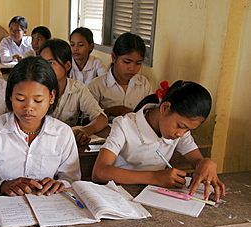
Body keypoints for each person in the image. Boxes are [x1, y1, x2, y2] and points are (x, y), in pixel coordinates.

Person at [92, 80, 226, 201]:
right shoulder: (125, 125)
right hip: (120, 195)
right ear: (165, 108)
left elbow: (198, 161)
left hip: (155, 195)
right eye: (181, 126)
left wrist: (207, 163)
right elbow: (100, 172)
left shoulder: (180, 133)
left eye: (188, 130)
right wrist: (155, 177)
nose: (181, 134)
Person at [0, 56, 81, 196]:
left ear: (51, 97)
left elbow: (72, 179)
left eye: (38, 100)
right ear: (10, 96)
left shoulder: (63, 133)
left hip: (48, 206)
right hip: (5, 206)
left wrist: (61, 184)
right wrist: (2, 186)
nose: (28, 107)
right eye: (20, 99)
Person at [39, 39, 108, 145]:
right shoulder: (34, 88)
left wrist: (85, 130)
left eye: (51, 63)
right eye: (42, 63)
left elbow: (101, 118)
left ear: (67, 66)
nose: (44, 68)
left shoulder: (78, 89)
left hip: (67, 145)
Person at [88, 32, 152, 120]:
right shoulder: (97, 86)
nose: (132, 68)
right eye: (126, 62)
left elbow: (150, 112)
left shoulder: (143, 84)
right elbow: (85, 120)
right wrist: (109, 111)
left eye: (138, 63)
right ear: (114, 57)